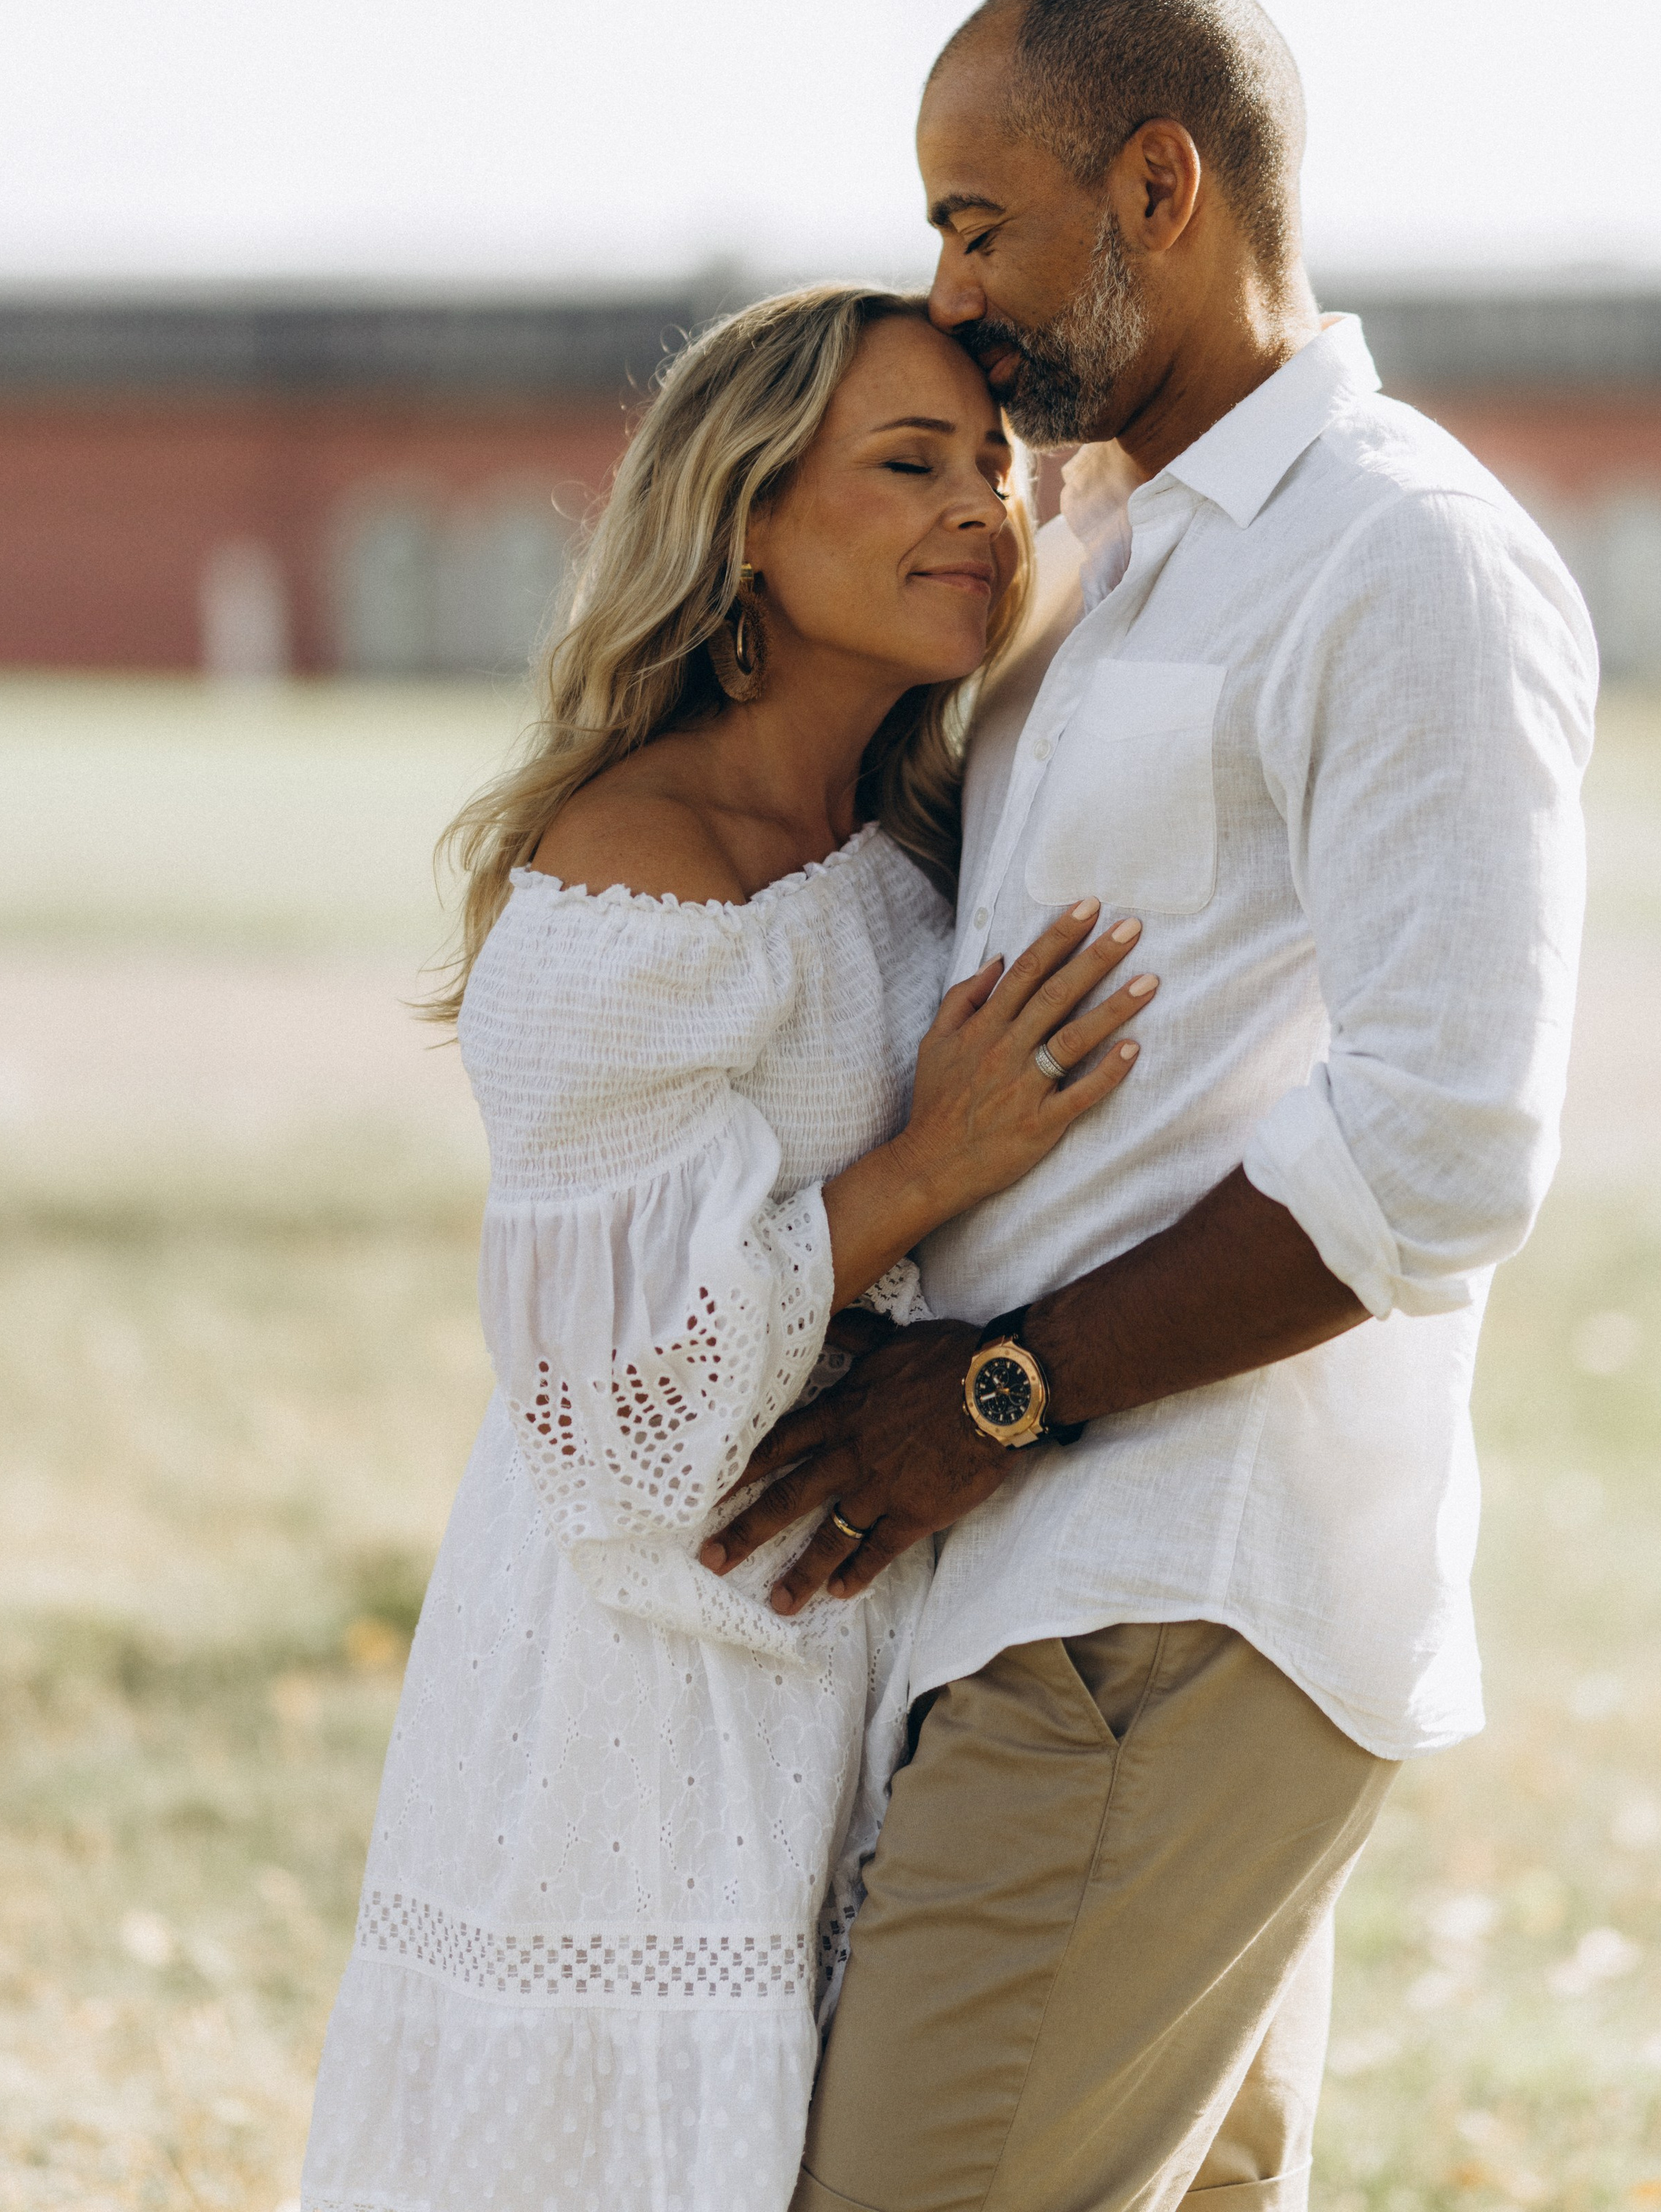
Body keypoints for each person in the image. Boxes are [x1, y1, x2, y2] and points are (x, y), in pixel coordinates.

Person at [703, 0, 1601, 2212]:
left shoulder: (1403, 558)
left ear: (1161, 186)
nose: (946, 285)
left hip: (1169, 1591)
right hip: (1039, 1584)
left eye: (977, 223)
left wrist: (994, 1396)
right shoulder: (1090, 555)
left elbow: (1443, 1145)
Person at [300, 283, 1159, 2212]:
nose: (982, 511)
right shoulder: (632, 875)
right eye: (910, 465)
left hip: (823, 1621)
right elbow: (600, 1418)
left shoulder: (896, 820)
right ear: (752, 521)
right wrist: (931, 1166)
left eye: (994, 467)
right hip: (636, 1692)